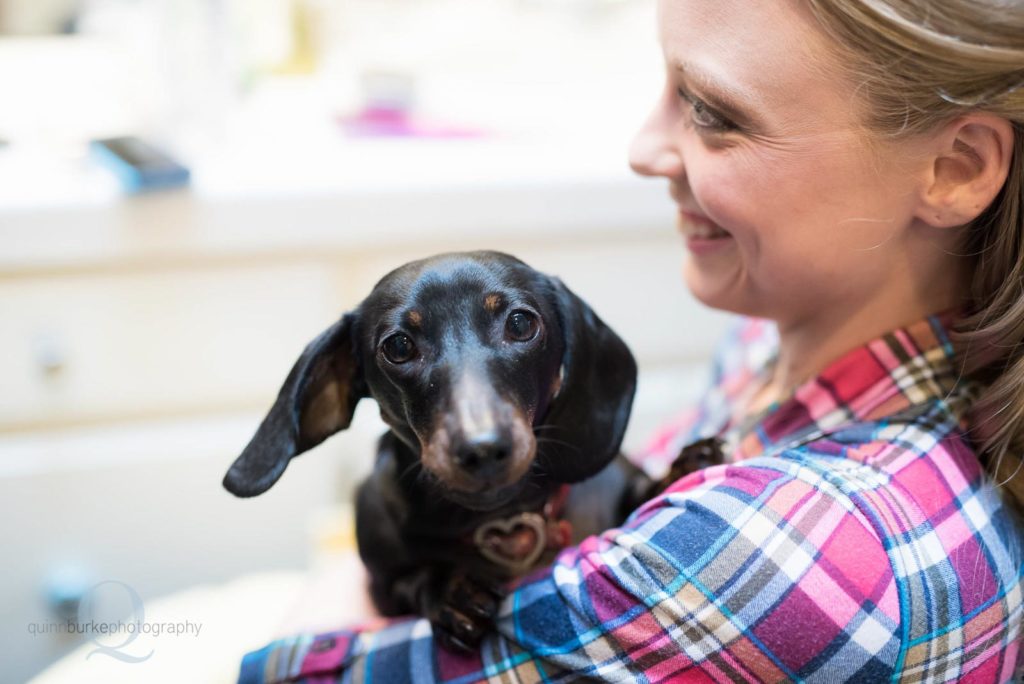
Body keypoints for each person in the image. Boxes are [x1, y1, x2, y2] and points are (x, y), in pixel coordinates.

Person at [237, 0, 1024, 681]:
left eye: (713, 112)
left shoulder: (802, 553)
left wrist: (360, 562)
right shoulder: (767, 340)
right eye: (667, 87)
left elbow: (284, 672)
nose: (643, 149)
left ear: (954, 168)